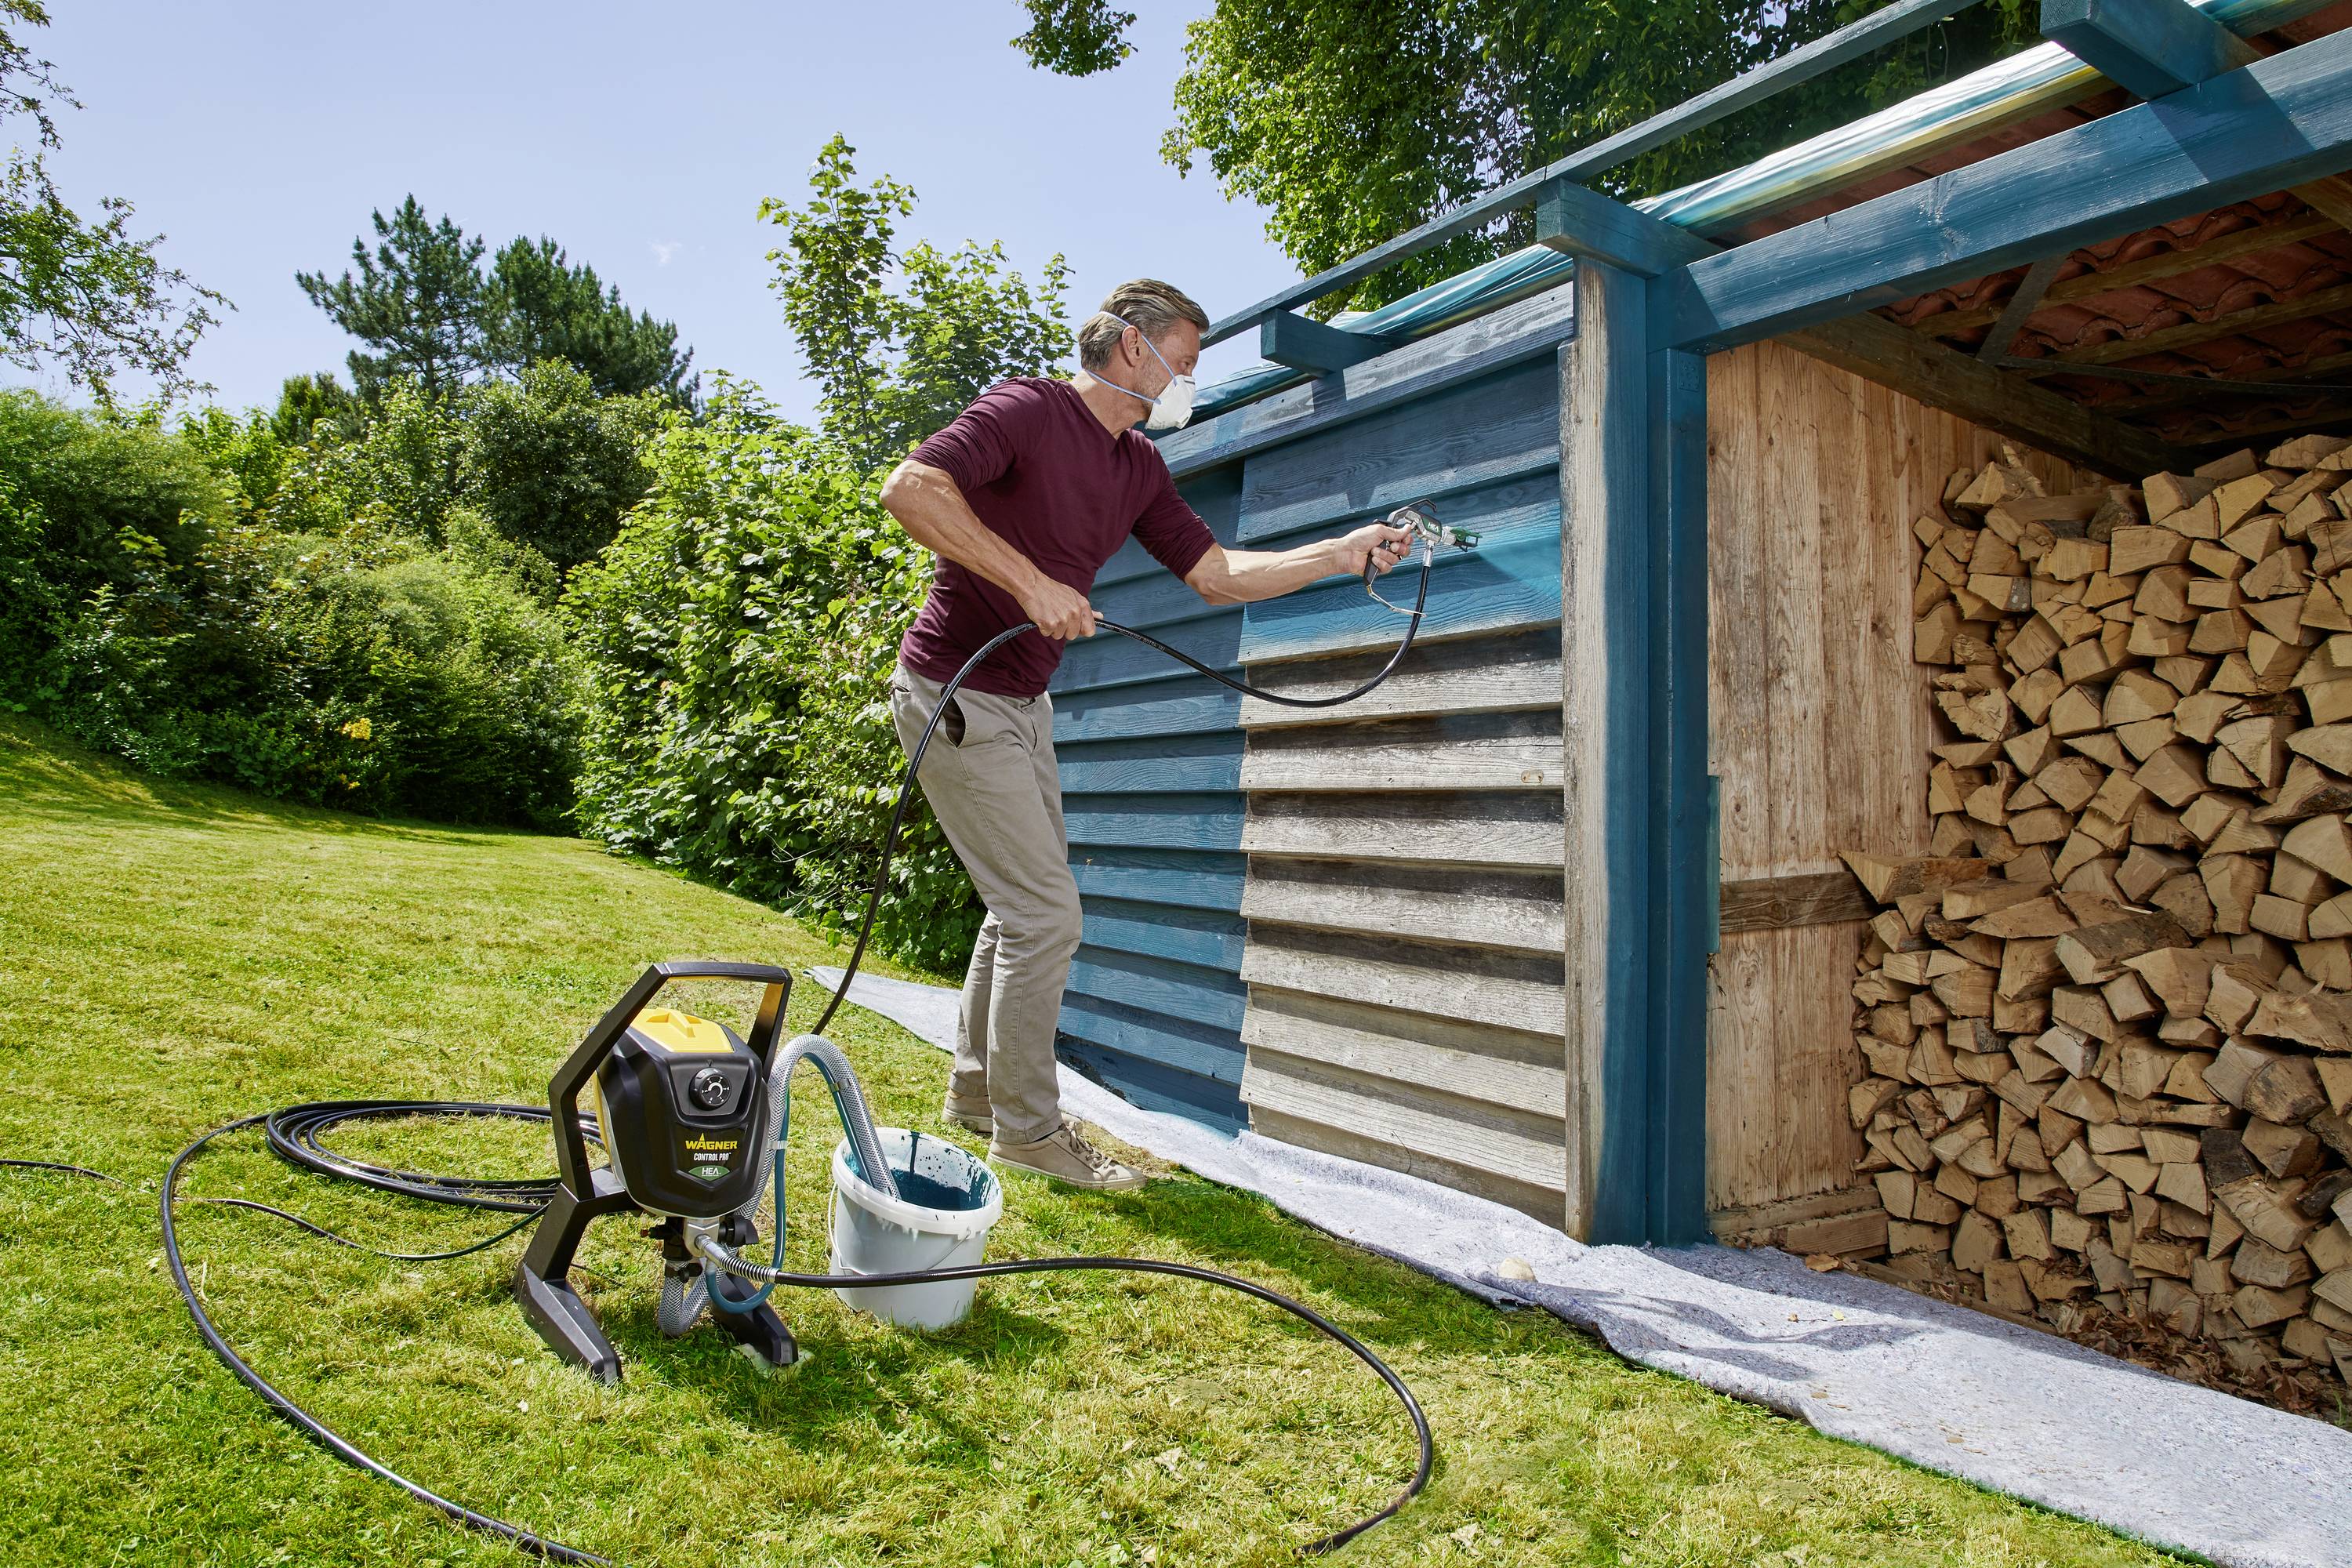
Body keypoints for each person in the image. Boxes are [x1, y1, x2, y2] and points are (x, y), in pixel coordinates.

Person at [877, 279, 1414, 1190]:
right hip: (954, 690)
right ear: (1134, 347)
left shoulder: (1137, 470)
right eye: (1187, 363)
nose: (1188, 384)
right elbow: (912, 487)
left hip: (1024, 705)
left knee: (1024, 910)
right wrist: (1031, 582)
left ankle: (978, 1090)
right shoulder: (1028, 409)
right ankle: (1028, 1129)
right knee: (1045, 915)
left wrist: (1337, 553)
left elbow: (1217, 573)